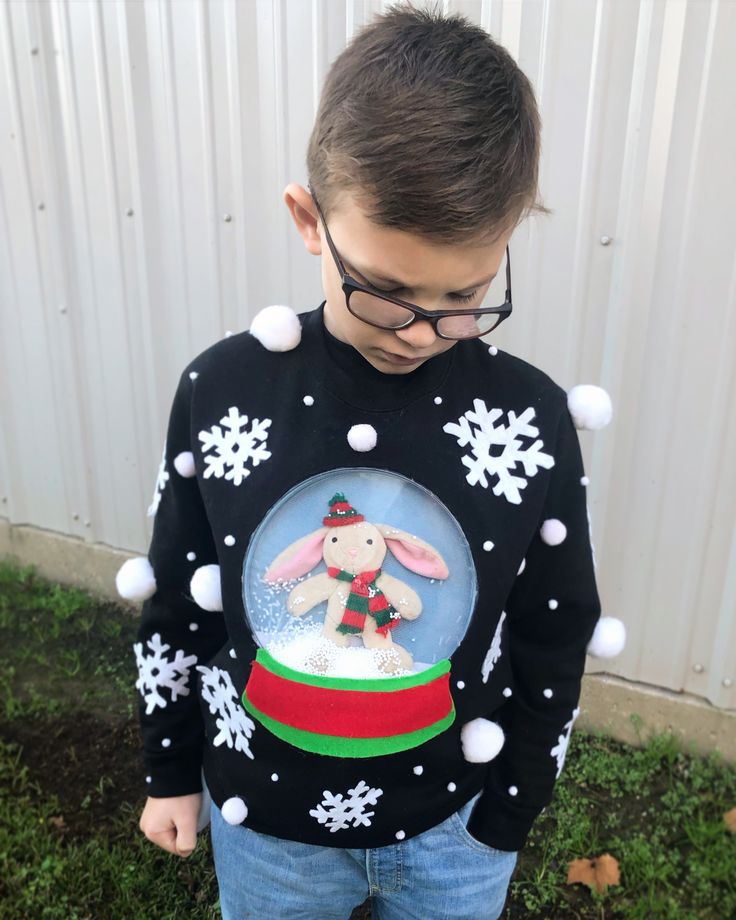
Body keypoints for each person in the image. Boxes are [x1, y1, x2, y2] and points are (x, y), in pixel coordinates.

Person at [117, 3, 620, 918]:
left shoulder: (526, 418)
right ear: (310, 221)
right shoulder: (225, 392)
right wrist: (168, 769)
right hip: (264, 828)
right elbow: (178, 595)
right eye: (385, 292)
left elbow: (557, 623)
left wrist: (509, 810)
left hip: (454, 834)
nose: (423, 331)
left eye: (465, 295)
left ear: (508, 235)